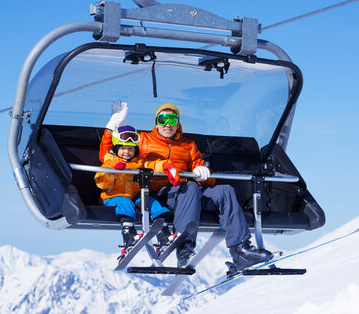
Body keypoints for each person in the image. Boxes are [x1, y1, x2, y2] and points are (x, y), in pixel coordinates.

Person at [100, 101, 274, 270]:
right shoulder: (144, 139)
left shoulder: (188, 145)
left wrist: (203, 172)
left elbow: (207, 180)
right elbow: (111, 153)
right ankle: (185, 245)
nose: (167, 125)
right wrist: (112, 125)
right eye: (163, 120)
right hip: (159, 193)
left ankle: (240, 250)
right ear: (156, 122)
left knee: (225, 191)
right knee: (189, 187)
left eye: (172, 120)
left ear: (178, 123)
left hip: (187, 194)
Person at [95, 125, 181, 257]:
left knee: (150, 201)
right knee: (125, 202)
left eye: (130, 149)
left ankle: (163, 232)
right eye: (123, 148)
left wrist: (166, 166)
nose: (127, 152)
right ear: (116, 149)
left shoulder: (139, 162)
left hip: (135, 196)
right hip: (113, 198)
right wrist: (113, 171)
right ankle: (129, 234)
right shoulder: (110, 162)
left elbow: (152, 164)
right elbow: (101, 182)